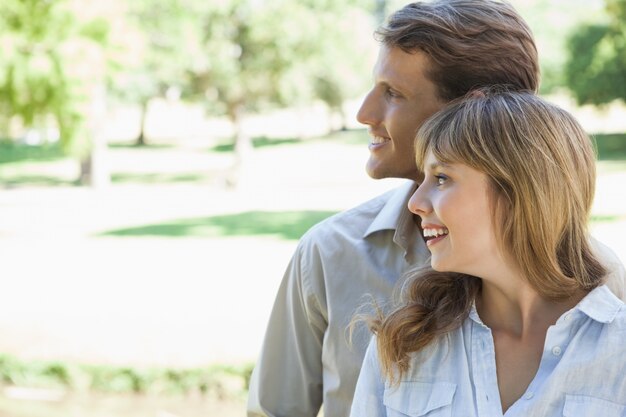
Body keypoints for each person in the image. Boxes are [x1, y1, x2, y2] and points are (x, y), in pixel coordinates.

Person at [247, 1, 626, 416]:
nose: (364, 113)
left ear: (473, 108)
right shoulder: (329, 253)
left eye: (394, 93)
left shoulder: (603, 287)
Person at [350, 88, 626, 416]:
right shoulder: (403, 344)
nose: (415, 203)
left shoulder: (617, 350)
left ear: (519, 191)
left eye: (441, 178)